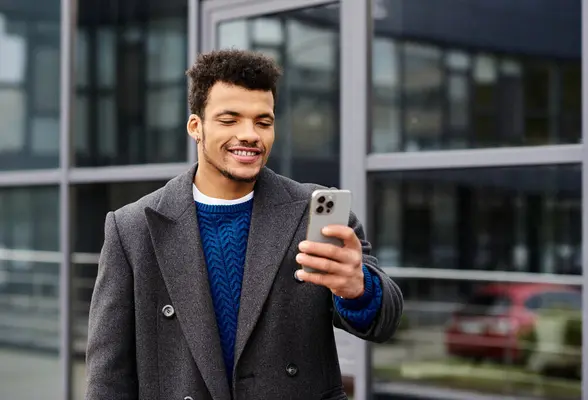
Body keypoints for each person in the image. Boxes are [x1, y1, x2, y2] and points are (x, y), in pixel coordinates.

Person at [85, 49, 403, 400]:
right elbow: (108, 375)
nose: (250, 134)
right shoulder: (132, 228)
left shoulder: (314, 212)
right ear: (196, 127)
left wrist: (358, 290)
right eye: (229, 119)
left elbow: (385, 321)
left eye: (263, 122)